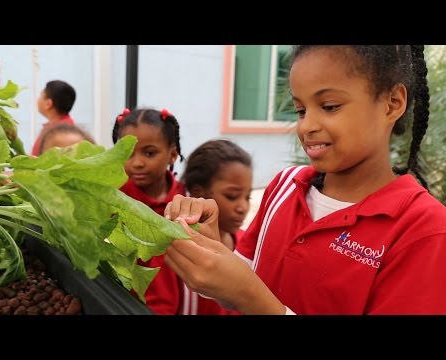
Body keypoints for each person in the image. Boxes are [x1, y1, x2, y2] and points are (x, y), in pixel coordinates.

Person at [163, 45, 446, 315]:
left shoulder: (425, 230)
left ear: (391, 103)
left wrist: (249, 296)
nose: (306, 126)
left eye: (330, 106)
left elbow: (247, 293)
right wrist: (208, 248)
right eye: (300, 110)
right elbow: (236, 288)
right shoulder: (285, 186)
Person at [112, 107, 186, 314]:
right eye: (127, 153)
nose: (137, 163)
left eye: (149, 153)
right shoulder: (113, 198)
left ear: (172, 155)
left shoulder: (185, 199)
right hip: (127, 305)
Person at [180, 138, 252, 315]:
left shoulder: (248, 246)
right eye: (232, 196)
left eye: (247, 197)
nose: (243, 207)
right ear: (198, 193)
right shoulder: (181, 250)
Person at [31, 80, 76, 156]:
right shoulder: (65, 128)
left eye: (41, 96)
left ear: (48, 104)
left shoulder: (60, 134)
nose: (38, 100)